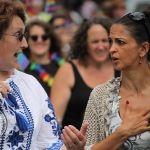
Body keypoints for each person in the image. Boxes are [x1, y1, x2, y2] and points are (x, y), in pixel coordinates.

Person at [0, 0, 87, 149]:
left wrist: (71, 148)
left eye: (24, 35)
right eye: (18, 35)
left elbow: (49, 143)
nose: (25, 44)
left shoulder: (31, 84)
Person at [62, 10, 150, 149]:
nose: (111, 49)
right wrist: (123, 132)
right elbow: (87, 147)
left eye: (120, 42)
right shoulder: (101, 94)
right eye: (111, 41)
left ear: (143, 49)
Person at [50, 16, 120, 130]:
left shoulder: (120, 67)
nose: (101, 46)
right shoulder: (68, 70)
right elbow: (54, 121)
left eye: (105, 40)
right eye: (95, 41)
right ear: (84, 43)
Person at [23, 19, 63, 96]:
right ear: (27, 40)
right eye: (34, 37)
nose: (40, 40)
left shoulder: (63, 65)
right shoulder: (20, 67)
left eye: (44, 37)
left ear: (50, 39)